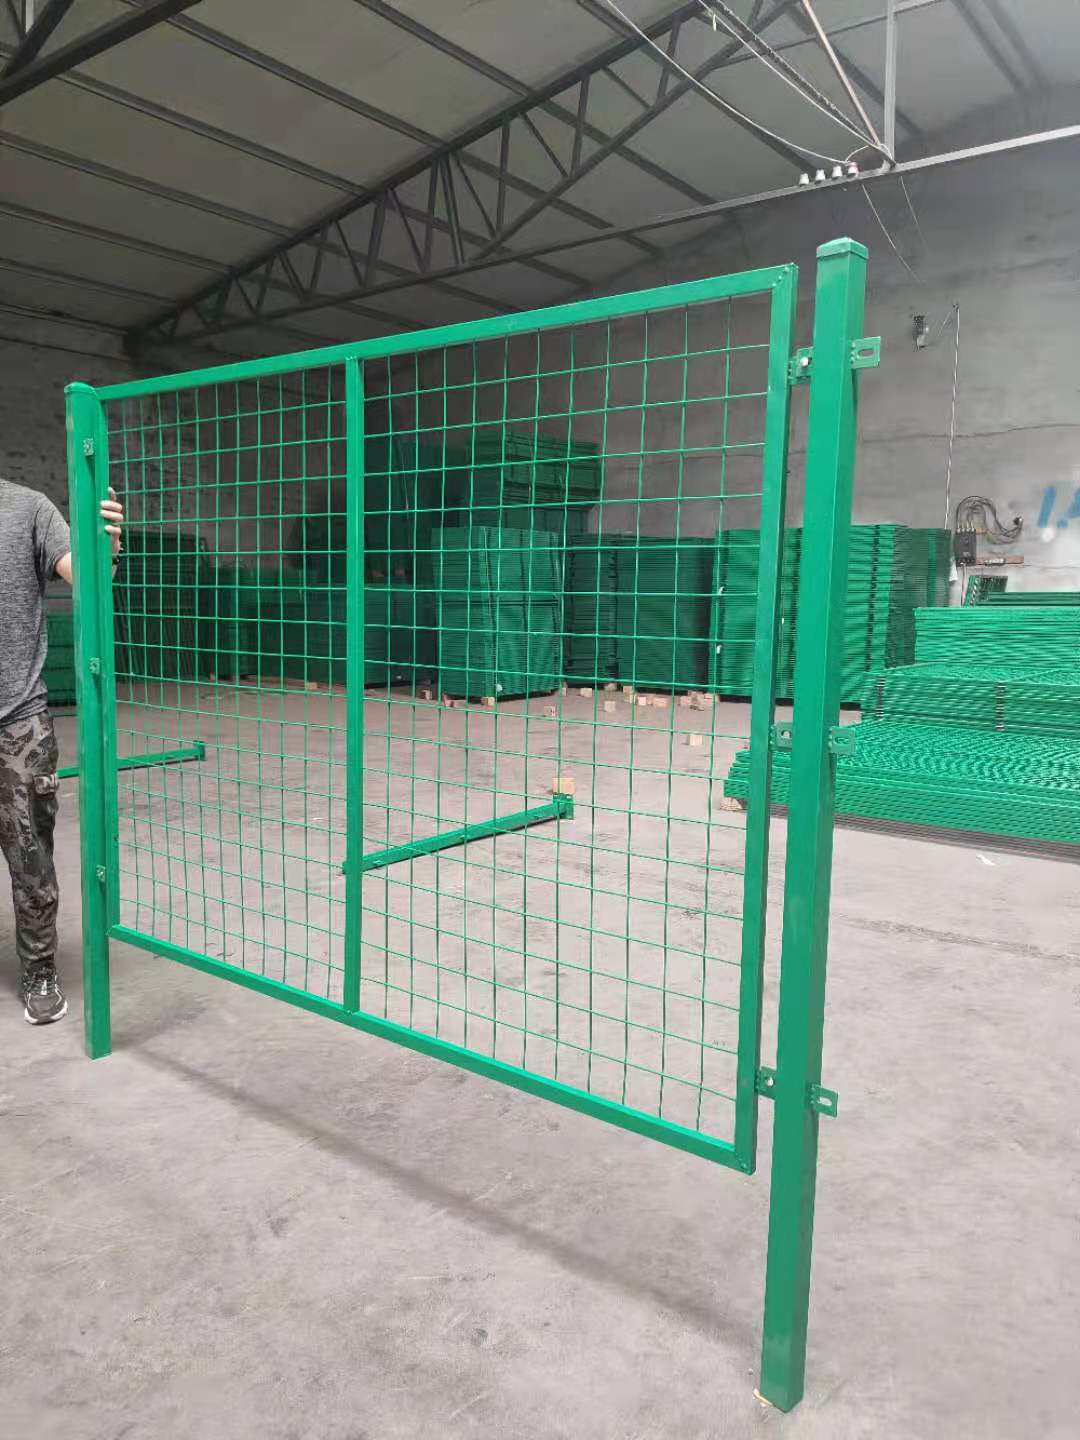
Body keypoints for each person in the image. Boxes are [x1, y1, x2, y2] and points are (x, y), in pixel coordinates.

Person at [0, 477, 123, 1024]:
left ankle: (40, 968)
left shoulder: (27, 508)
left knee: (31, 860)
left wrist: (107, 548)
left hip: (18, 721)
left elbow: (90, 580)